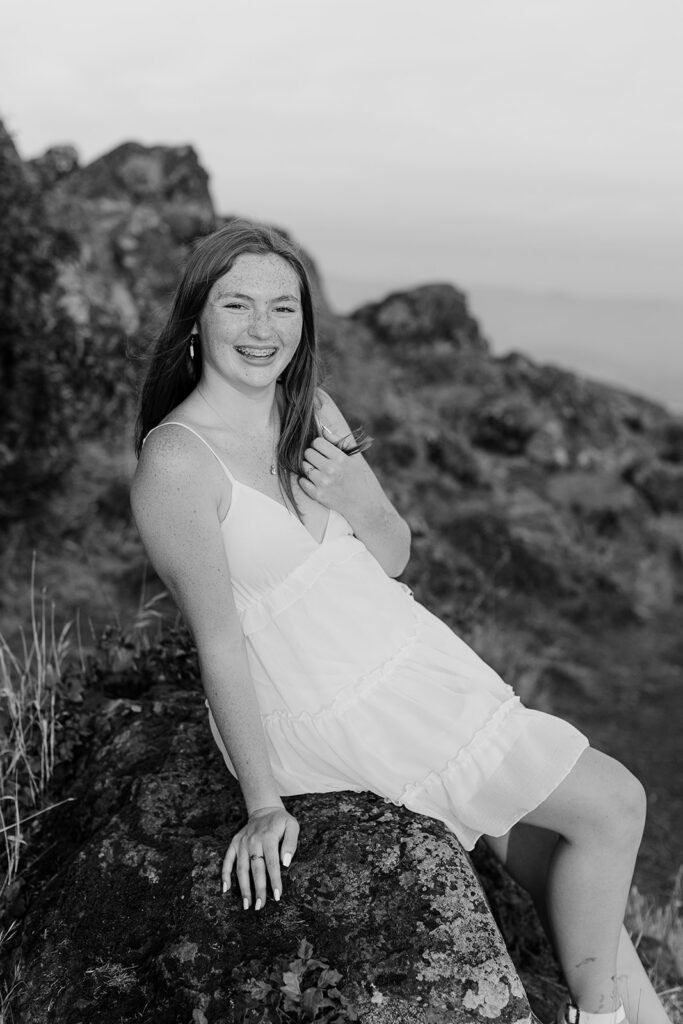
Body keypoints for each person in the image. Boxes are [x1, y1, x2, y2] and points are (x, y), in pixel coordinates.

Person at [131, 219, 671, 1024]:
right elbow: (219, 643)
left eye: (283, 308)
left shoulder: (310, 407)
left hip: (409, 664)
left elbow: (391, 555)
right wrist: (262, 802)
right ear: (196, 318)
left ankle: (634, 1012)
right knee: (613, 803)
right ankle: (597, 1018)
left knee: (564, 856)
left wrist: (360, 497)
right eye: (237, 305)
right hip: (332, 702)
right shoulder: (176, 463)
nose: (262, 329)